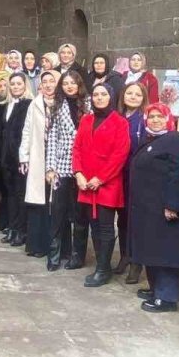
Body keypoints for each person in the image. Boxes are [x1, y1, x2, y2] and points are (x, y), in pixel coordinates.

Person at [129, 103, 179, 312]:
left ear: (169, 119)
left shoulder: (176, 139)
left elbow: (178, 173)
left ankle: (166, 298)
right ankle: (155, 288)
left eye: (160, 116)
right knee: (152, 250)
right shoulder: (150, 140)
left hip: (166, 209)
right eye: (151, 116)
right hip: (148, 208)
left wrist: (173, 204)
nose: (155, 120)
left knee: (166, 253)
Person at [73, 82, 131, 287]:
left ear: (111, 97)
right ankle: (101, 264)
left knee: (105, 226)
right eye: (96, 94)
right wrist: (78, 173)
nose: (99, 98)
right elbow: (77, 148)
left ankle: (103, 269)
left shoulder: (120, 122)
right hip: (86, 182)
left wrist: (101, 178)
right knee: (94, 226)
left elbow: (120, 154)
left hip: (107, 183)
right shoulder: (86, 120)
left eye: (103, 94)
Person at [46, 70, 89, 270]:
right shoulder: (57, 105)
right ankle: (54, 254)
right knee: (58, 211)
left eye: (73, 83)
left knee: (80, 213)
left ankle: (77, 255)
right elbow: (52, 138)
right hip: (62, 164)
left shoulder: (88, 105)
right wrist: (50, 167)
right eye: (66, 83)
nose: (69, 86)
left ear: (79, 85)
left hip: (84, 166)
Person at [20, 70, 59, 261]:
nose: (49, 85)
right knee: (37, 203)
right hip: (38, 156)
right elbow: (27, 131)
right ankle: (36, 244)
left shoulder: (62, 103)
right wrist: (24, 156)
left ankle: (54, 246)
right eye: (45, 82)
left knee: (54, 203)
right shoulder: (35, 104)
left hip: (57, 159)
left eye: (52, 81)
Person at [116, 81, 150, 282]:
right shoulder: (117, 117)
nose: (133, 97)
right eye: (130, 93)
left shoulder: (145, 119)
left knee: (135, 219)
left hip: (136, 175)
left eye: (138, 94)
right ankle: (124, 256)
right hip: (118, 174)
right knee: (122, 218)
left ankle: (137, 262)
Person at [0, 71, 31, 248]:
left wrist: (24, 157)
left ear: (25, 85)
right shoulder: (4, 105)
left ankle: (21, 231)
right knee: (9, 195)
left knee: (20, 194)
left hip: (20, 158)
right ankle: (11, 227)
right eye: (13, 84)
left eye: (19, 84)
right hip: (6, 157)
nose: (16, 87)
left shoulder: (29, 104)